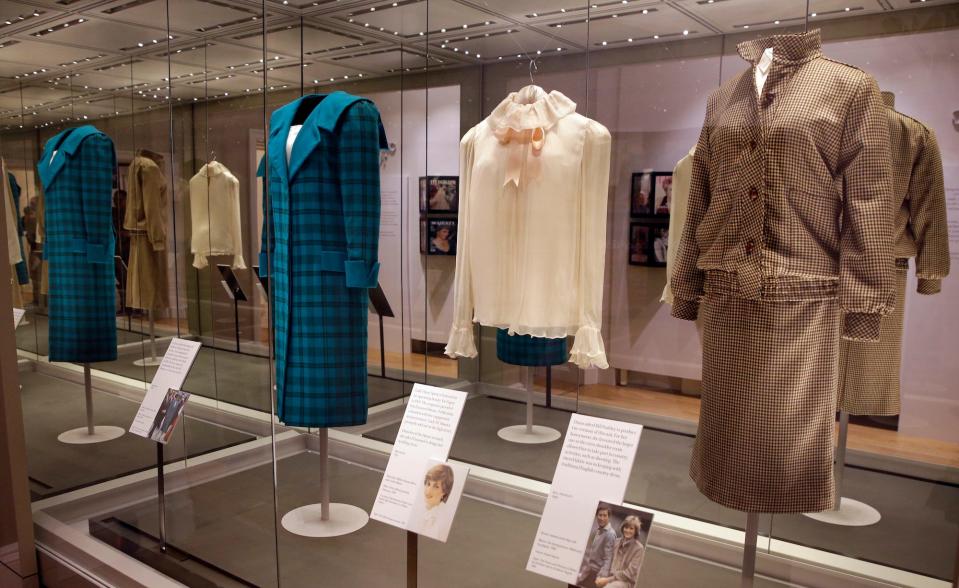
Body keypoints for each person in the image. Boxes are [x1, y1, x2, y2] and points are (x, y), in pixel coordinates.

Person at [595, 516, 646, 588]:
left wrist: (607, 580)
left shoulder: (639, 548)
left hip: (626, 582)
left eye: (631, 528)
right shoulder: (616, 542)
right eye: (626, 527)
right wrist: (601, 575)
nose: (628, 530)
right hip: (610, 577)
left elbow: (629, 573)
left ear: (635, 531)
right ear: (623, 528)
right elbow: (607, 560)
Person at [577, 506, 617, 588]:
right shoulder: (600, 530)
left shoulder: (610, 534)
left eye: (605, 515)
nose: (602, 518)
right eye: (600, 515)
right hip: (589, 571)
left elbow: (608, 558)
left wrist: (601, 578)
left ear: (609, 517)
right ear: (596, 516)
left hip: (596, 574)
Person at [418, 463, 455, 537]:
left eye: (436, 487)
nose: (428, 491)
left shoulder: (441, 520)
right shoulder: (424, 510)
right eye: (428, 484)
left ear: (444, 492)